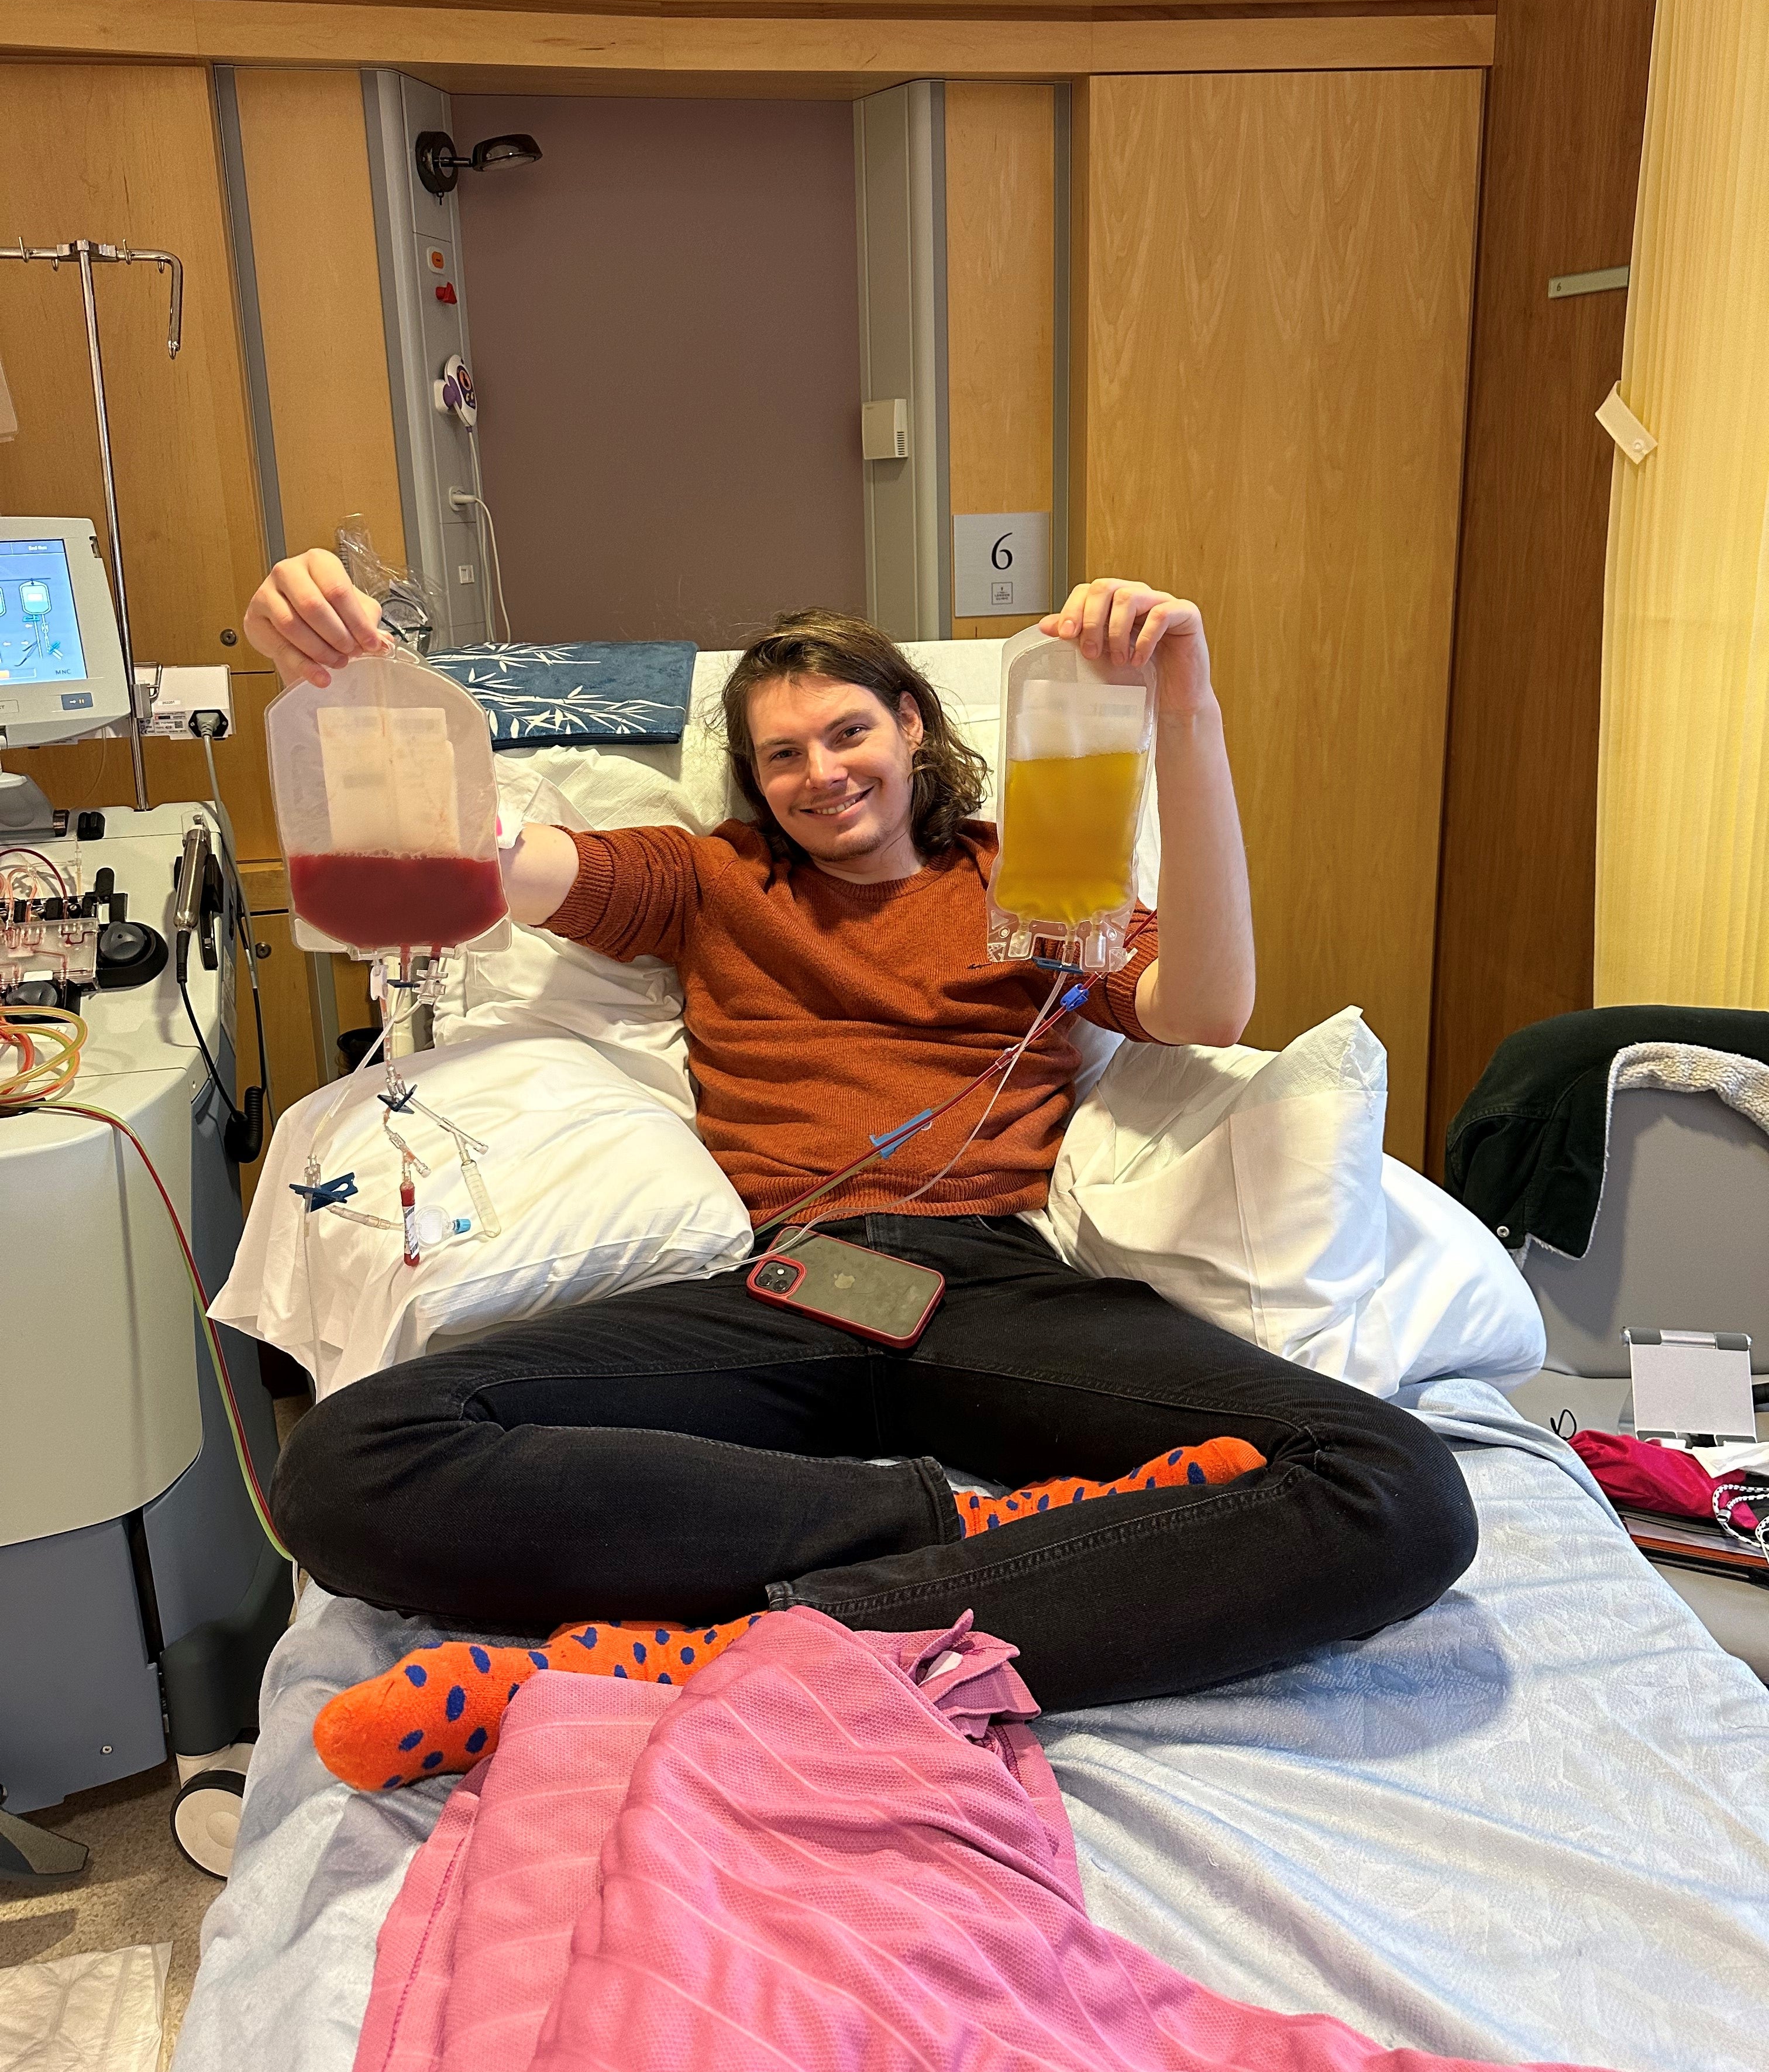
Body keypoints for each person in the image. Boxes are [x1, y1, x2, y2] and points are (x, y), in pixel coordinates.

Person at [245, 552, 1476, 1786]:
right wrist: (363, 695)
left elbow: (1208, 1007)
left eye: (848, 733)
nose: (822, 773)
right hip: (783, 1291)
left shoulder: (1035, 881)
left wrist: (1184, 708)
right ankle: (947, 1538)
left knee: (1396, 1490)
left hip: (1000, 1292)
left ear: (913, 726)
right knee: (351, 1462)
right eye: (783, 754)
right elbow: (492, 856)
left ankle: (739, 1651)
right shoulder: (710, 882)